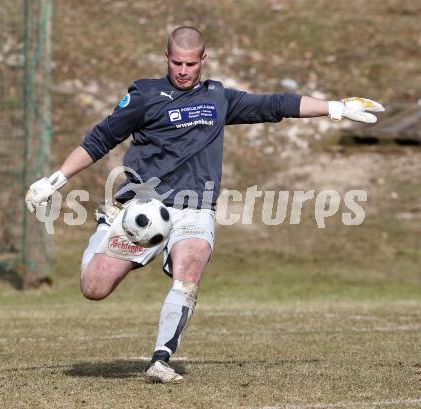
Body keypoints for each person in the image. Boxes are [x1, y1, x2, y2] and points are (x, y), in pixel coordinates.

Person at [25, 26, 384, 383]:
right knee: (94, 289)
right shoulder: (145, 95)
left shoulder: (218, 98)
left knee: (190, 271)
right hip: (145, 209)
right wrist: (53, 181)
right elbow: (99, 140)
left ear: (203, 61)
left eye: (190, 64)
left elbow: (276, 104)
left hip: (196, 207)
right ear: (167, 58)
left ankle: (160, 359)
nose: (183, 70)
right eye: (177, 63)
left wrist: (337, 108)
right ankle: (108, 225)